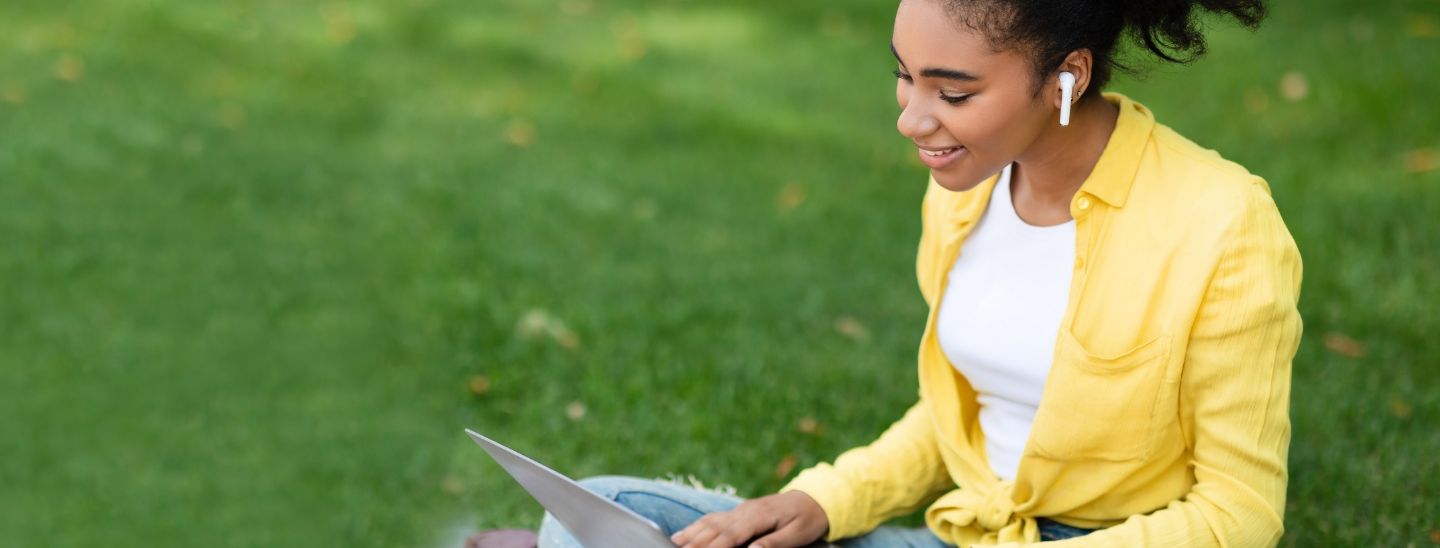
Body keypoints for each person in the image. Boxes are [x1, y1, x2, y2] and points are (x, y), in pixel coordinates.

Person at [471, 0, 1302, 546]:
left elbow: (1239, 513)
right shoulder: (966, 193)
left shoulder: (1221, 223)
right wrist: (823, 500)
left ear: (1066, 78)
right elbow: (955, 420)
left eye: (953, 91)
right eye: (905, 74)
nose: (912, 118)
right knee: (598, 512)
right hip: (963, 531)